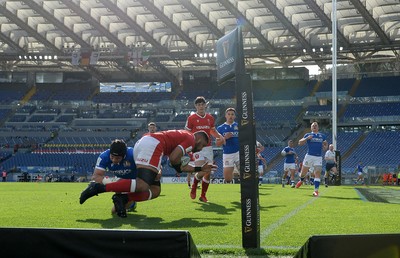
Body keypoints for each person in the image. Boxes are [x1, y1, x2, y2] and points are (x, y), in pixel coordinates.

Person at [80, 129, 216, 218]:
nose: (201, 148)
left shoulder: (184, 136)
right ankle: (100, 188)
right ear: (199, 140)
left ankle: (124, 198)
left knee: (155, 190)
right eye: (203, 145)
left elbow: (177, 163)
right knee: (143, 185)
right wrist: (179, 167)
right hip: (154, 145)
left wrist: (200, 169)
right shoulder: (191, 139)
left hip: (147, 144)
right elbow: (174, 159)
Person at [85, 139, 144, 215]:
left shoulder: (133, 154)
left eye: (118, 158)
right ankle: (129, 202)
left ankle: (131, 201)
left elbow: (145, 169)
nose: (114, 160)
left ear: (124, 155)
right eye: (112, 157)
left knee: (115, 210)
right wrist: (112, 183)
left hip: (135, 180)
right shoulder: (104, 156)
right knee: (115, 211)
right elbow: (96, 176)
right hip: (120, 179)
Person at [185, 96, 225, 202]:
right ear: (195, 106)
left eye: (202, 104)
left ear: (205, 105)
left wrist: (219, 136)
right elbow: (187, 133)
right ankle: (194, 186)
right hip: (197, 148)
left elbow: (212, 130)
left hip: (208, 147)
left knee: (208, 173)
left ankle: (203, 195)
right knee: (202, 169)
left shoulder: (210, 118)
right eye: (198, 105)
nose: (200, 106)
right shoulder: (191, 118)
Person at [295, 122, 328, 197]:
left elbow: (326, 144)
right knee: (303, 173)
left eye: (316, 125)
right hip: (309, 156)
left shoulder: (322, 136)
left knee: (317, 172)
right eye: (313, 126)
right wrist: (307, 138)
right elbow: (299, 143)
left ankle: (316, 191)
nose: (314, 126)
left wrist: (325, 147)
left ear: (318, 127)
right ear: (311, 128)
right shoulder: (308, 135)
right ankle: (301, 180)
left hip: (318, 157)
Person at [216, 108, 239, 183]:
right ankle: (234, 169)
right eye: (228, 114)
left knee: (245, 173)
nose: (230, 116)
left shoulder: (239, 126)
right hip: (227, 154)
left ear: (235, 116)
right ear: (225, 116)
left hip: (238, 153)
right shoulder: (220, 128)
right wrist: (225, 138)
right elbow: (218, 144)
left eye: (232, 114)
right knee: (228, 179)